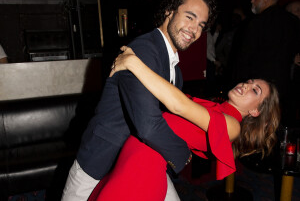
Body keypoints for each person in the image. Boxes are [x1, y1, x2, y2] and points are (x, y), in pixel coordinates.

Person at [61, 0, 217, 201]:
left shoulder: (176, 71)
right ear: (169, 11)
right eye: (189, 17)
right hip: (102, 159)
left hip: (137, 160)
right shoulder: (144, 49)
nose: (195, 29)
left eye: (201, 25)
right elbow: (148, 125)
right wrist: (184, 154)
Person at [86, 46, 280, 201]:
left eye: (255, 91)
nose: (246, 85)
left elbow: (178, 105)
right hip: (130, 163)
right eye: (249, 81)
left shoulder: (232, 126)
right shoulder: (213, 107)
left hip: (141, 175)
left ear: (256, 111)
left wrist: (133, 63)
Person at [230, 0, 299, 125]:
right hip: (286, 90)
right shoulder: (292, 21)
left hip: (258, 94)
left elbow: (243, 59)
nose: (252, 1)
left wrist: (239, 86)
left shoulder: (256, 23)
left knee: (257, 129)